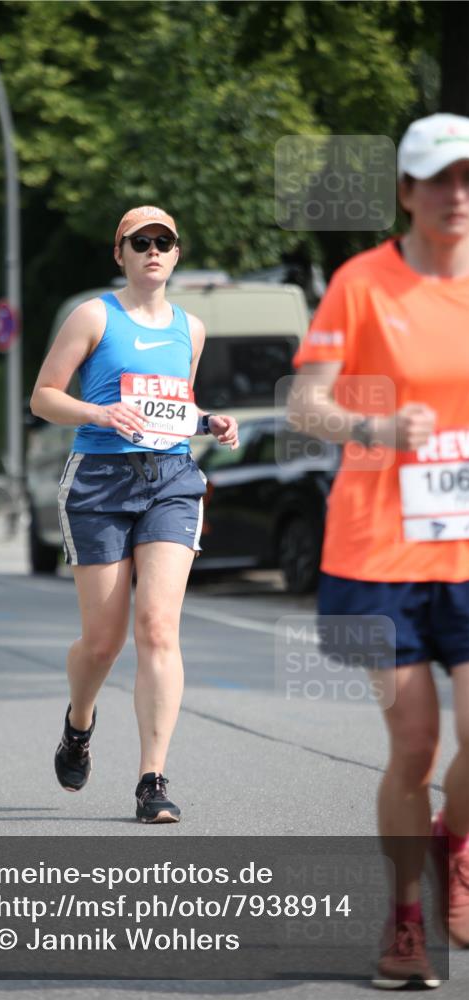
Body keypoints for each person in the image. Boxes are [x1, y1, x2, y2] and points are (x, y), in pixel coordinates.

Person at [288, 113, 469, 987]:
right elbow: (304, 406)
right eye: (439, 179)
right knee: (414, 748)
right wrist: (377, 426)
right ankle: (404, 925)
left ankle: (455, 845)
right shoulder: (362, 284)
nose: (456, 195)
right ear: (405, 191)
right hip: (376, 555)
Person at [30, 206, 239, 823]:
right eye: (139, 241)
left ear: (176, 254)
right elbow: (44, 396)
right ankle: (79, 723)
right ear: (118, 253)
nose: (152, 250)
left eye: (163, 241)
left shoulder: (191, 329)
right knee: (103, 642)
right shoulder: (95, 315)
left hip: (171, 481)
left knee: (157, 627)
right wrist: (97, 415)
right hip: (98, 482)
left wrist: (209, 421)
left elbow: (177, 406)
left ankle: (152, 781)